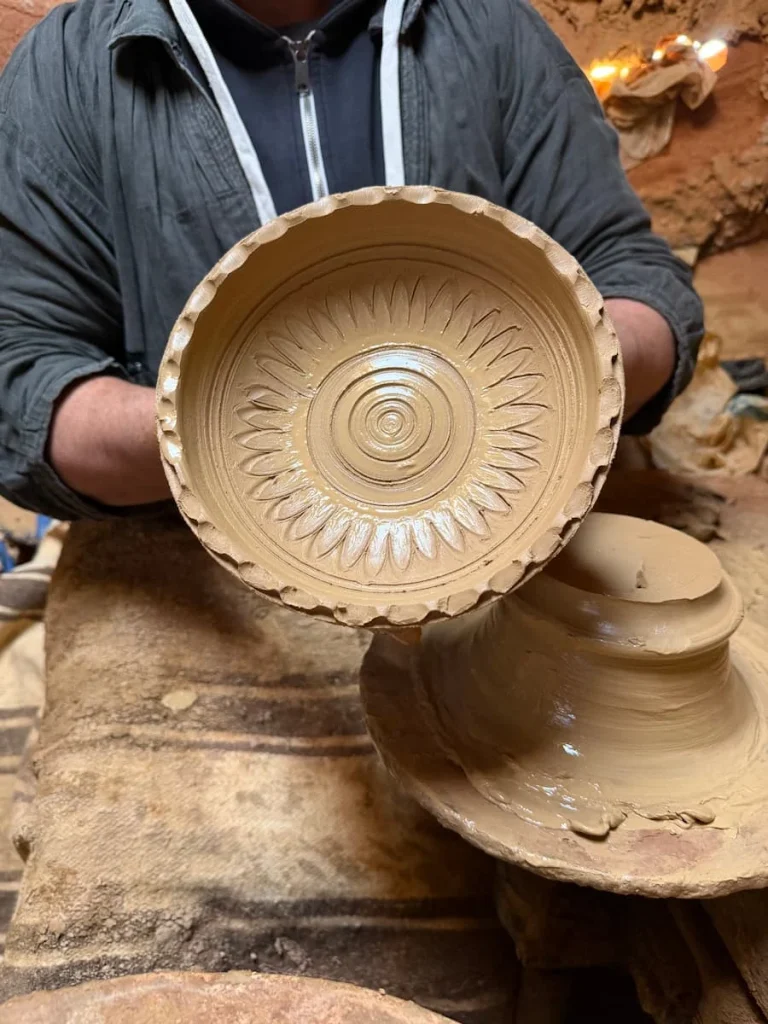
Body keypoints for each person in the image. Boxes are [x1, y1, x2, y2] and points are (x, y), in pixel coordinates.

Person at [0, 0, 702, 520]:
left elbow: (638, 282)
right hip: (206, 552)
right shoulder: (71, 67)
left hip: (498, 518)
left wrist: (534, 385)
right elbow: (20, 383)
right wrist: (246, 436)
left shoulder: (491, 29)